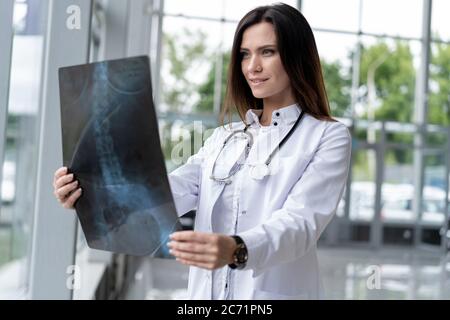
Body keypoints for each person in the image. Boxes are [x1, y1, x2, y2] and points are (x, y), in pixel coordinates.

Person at [53, 3, 351, 300]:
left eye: (267, 52)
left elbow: (301, 223)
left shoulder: (328, 136)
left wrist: (238, 248)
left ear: (297, 56)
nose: (252, 67)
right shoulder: (226, 137)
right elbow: (171, 190)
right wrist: (90, 192)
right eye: (245, 54)